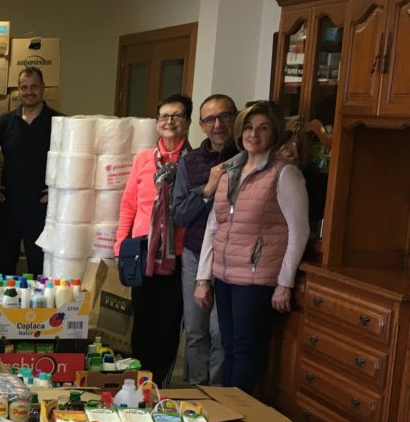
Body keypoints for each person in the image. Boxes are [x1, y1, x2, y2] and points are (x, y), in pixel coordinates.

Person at [195, 102, 309, 393]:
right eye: (248, 127)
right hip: (225, 275)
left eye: (263, 128)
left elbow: (299, 230)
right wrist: (203, 278)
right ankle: (226, 413)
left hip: (256, 279)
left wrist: (285, 282)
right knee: (229, 347)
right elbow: (214, 226)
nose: (253, 134)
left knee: (247, 352)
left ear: (274, 133)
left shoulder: (284, 174)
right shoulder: (231, 170)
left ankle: (237, 417)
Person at [114, 94, 194, 387]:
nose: (169, 121)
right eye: (163, 116)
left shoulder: (193, 161)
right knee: (142, 322)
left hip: (177, 254)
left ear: (186, 122)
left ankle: (158, 385)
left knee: (169, 325)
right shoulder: (144, 159)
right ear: (157, 123)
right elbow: (129, 204)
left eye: (176, 115)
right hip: (142, 250)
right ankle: (138, 382)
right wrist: (121, 243)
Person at [172, 94, 237, 386]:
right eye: (210, 119)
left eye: (224, 116)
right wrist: (207, 190)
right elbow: (180, 215)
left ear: (236, 118)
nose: (218, 124)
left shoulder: (247, 158)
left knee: (221, 332)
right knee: (196, 331)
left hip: (231, 259)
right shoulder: (190, 163)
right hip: (196, 254)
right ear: (201, 125)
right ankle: (194, 394)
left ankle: (217, 396)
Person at [0, 66, 62, 277]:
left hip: (42, 208)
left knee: (41, 266)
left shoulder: (58, 122)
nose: (29, 91)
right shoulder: (5, 123)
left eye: (34, 87)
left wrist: (57, 191)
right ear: (18, 91)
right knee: (2, 266)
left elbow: (72, 163)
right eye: (24, 87)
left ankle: (40, 309)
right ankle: (0, 308)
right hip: (8, 205)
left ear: (43, 88)